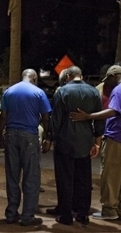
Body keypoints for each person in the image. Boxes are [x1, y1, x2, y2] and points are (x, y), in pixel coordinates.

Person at [70, 65, 121, 222]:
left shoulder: (120, 90)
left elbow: (114, 110)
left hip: (117, 137)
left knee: (110, 176)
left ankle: (109, 210)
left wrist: (89, 116)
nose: (107, 83)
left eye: (108, 79)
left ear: (113, 76)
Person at [48, 66, 104, 226]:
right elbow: (99, 119)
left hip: (65, 141)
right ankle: (82, 213)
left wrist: (51, 137)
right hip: (85, 141)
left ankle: (66, 214)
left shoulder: (62, 92)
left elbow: (56, 119)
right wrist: (97, 142)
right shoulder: (93, 92)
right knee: (84, 179)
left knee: (65, 178)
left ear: (67, 77)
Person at [0, 69, 51, 226]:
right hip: (30, 136)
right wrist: (48, 137)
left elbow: (3, 116)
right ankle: (28, 215)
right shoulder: (38, 93)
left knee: (12, 176)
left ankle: (11, 213)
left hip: (11, 135)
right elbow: (46, 117)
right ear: (34, 78)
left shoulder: (9, 91)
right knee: (31, 176)